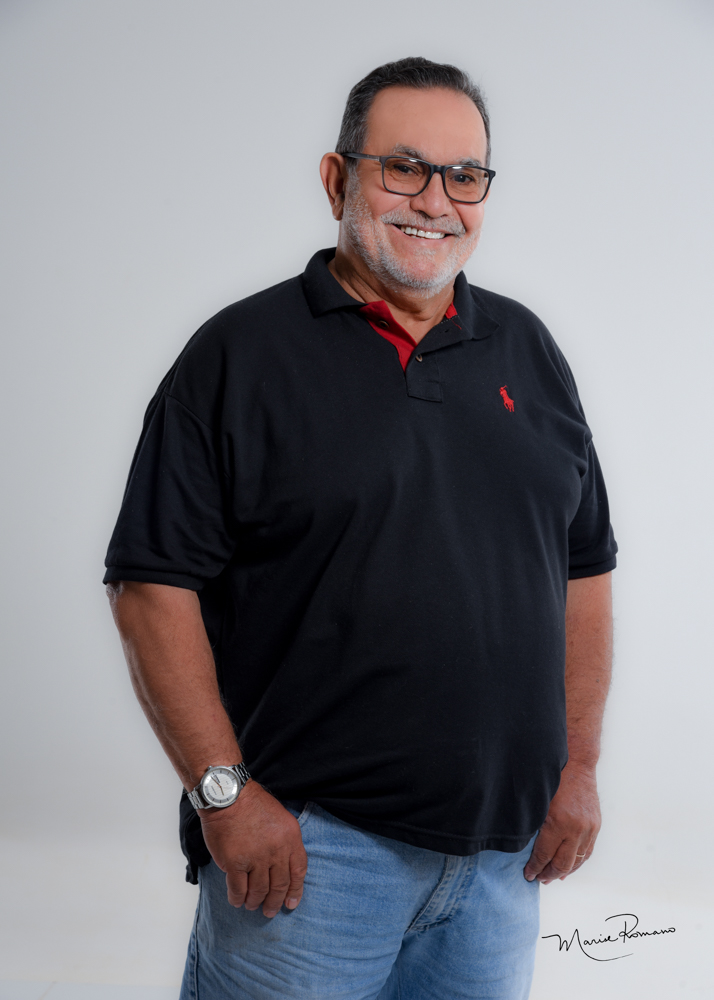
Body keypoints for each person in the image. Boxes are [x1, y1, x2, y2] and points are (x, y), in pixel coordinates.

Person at [104, 56, 617, 1000]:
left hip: (501, 863)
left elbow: (583, 570)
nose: (436, 200)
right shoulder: (238, 356)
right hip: (308, 860)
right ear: (338, 178)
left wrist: (578, 767)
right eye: (404, 168)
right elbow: (150, 587)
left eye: (465, 175)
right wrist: (224, 795)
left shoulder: (529, 349)